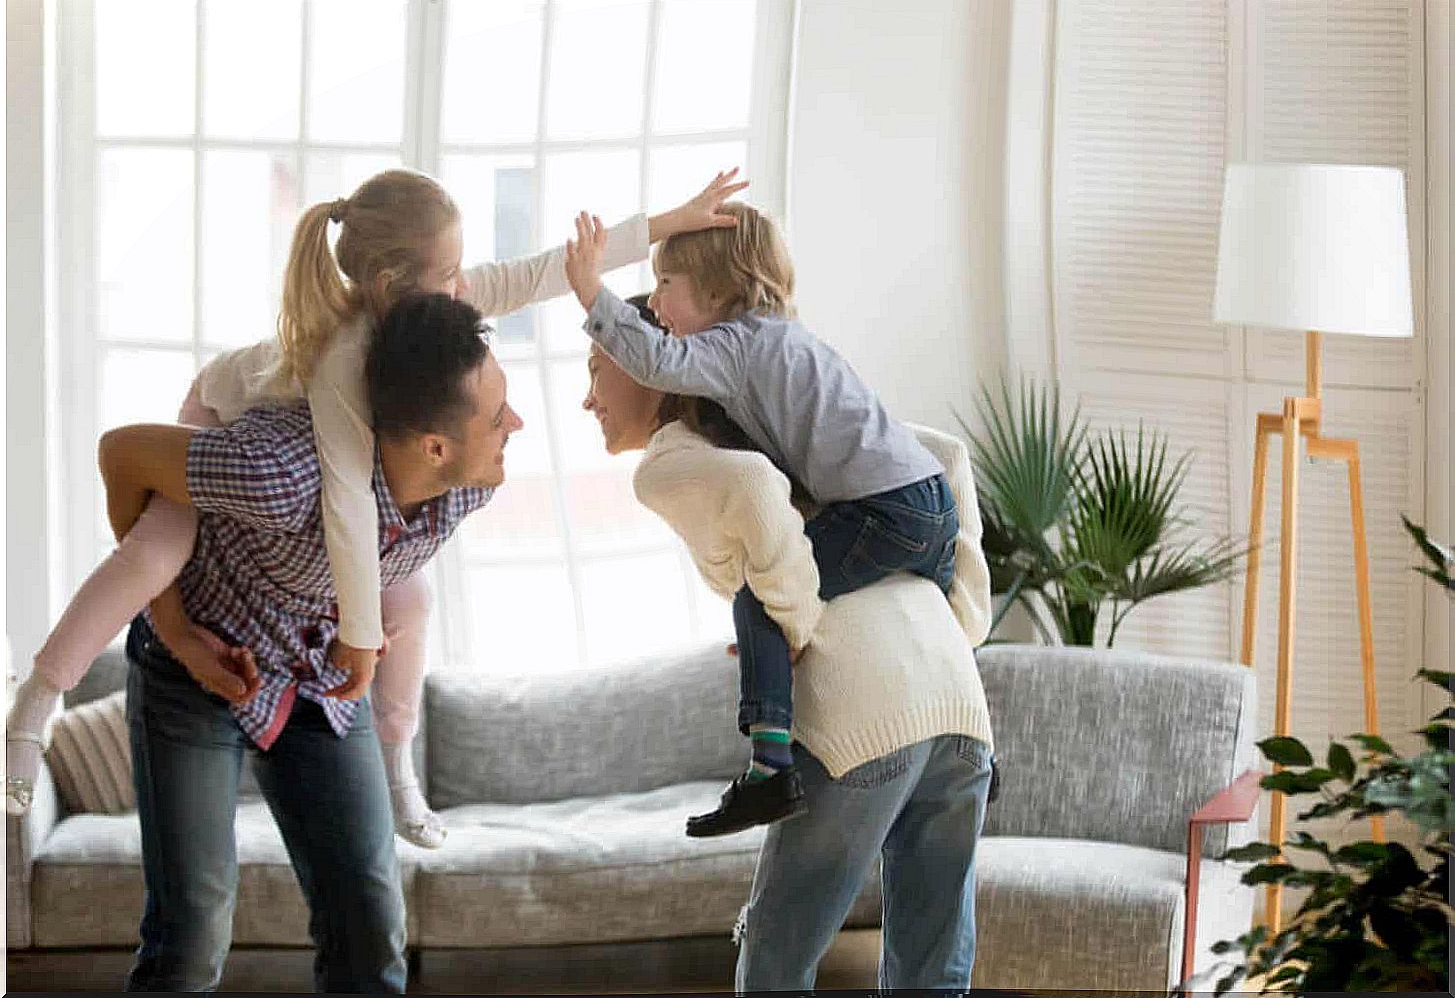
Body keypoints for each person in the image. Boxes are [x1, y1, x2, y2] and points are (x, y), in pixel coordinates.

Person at [5, 167, 746, 850]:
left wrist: (669, 220)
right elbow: (348, 507)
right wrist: (359, 636)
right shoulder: (343, 359)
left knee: (413, 595)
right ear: (394, 280)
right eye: (449, 269)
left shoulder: (430, 305)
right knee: (157, 553)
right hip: (215, 412)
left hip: (304, 469)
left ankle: (398, 767)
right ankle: (39, 698)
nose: (464, 283)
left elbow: (541, 271)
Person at [99, 293, 513, 991]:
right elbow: (121, 455)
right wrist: (173, 628)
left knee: (370, 923)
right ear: (435, 445)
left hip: (319, 676)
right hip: (196, 667)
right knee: (192, 935)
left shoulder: (469, 486)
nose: (517, 427)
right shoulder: (275, 473)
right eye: (499, 418)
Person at [580, 309, 997, 991]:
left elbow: (751, 489)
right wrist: (964, 618)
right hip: (956, 703)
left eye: (597, 370)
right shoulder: (779, 422)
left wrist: (794, 621)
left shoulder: (672, 458)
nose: (588, 397)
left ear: (647, 362)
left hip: (860, 718)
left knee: (774, 956)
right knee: (933, 967)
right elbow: (945, 455)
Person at [564, 204, 959, 838]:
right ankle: (979, 761)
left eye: (666, 285)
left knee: (760, 605)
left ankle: (769, 769)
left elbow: (658, 362)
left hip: (882, 510)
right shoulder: (790, 338)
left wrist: (590, 289)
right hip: (931, 501)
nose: (658, 304)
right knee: (929, 625)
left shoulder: (735, 346)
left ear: (717, 291)